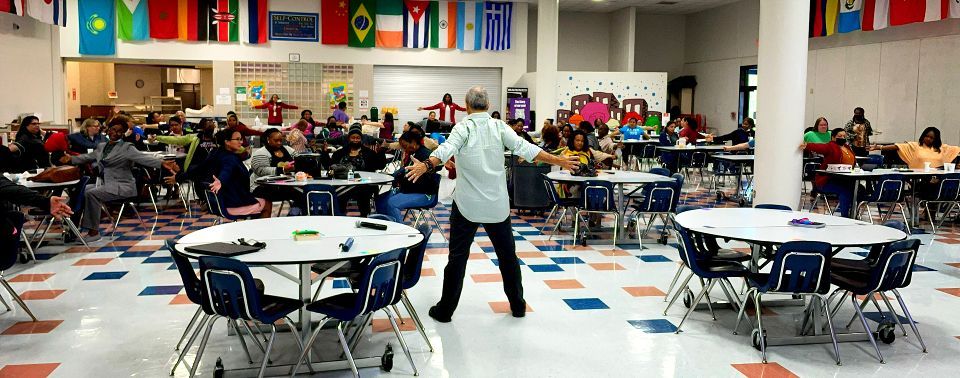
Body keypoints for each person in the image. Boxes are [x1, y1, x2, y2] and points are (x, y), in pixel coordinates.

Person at [404, 86, 579, 322]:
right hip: (497, 206)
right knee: (508, 257)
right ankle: (517, 305)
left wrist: (426, 165)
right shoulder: (499, 127)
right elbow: (525, 148)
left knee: (457, 258)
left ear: (466, 106)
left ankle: (445, 310)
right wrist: (558, 160)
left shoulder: (463, 127)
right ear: (487, 106)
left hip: (467, 206)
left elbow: (446, 150)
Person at [61, 119, 179, 242]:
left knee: (91, 193)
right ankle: (72, 228)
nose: (115, 133)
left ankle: (93, 232)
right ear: (108, 129)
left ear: (123, 133)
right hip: (107, 184)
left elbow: (143, 158)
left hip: (123, 186)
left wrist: (162, 163)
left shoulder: (127, 147)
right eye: (113, 129)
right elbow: (87, 157)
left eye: (119, 131)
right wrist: (70, 159)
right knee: (81, 190)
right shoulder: (101, 146)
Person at [375, 131, 440, 222]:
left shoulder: (426, 155)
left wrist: (402, 184)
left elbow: (426, 180)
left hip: (425, 193)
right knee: (381, 199)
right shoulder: (412, 154)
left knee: (392, 203)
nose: (403, 149)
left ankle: (399, 232)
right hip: (409, 190)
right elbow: (404, 172)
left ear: (413, 143)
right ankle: (386, 225)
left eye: (404, 146)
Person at [801, 128, 860, 217]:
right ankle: (845, 216)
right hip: (827, 180)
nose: (842, 138)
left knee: (860, 189)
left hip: (845, 179)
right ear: (833, 137)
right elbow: (820, 147)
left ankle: (854, 213)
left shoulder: (847, 147)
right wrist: (807, 146)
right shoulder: (831, 146)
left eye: (844, 136)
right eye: (839, 136)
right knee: (845, 190)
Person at [250, 128, 308, 215]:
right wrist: (283, 169)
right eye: (276, 140)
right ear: (268, 140)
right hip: (261, 187)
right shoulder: (261, 153)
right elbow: (261, 171)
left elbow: (300, 161)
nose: (279, 143)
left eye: (281, 140)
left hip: (285, 185)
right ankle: (294, 214)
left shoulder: (288, 150)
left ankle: (296, 215)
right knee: (297, 195)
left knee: (302, 193)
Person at [330, 128, 386, 216]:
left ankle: (364, 216)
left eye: (358, 138)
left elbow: (380, 165)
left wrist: (381, 152)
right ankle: (339, 216)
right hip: (343, 184)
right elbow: (330, 166)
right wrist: (325, 154)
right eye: (353, 138)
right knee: (338, 194)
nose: (355, 140)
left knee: (363, 191)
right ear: (349, 138)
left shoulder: (368, 153)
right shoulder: (340, 153)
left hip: (363, 184)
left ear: (361, 139)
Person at [870, 127, 960, 170]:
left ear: (935, 139)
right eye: (926, 136)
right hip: (919, 178)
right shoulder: (915, 146)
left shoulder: (942, 148)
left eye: (931, 138)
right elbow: (897, 146)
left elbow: (956, 150)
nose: (928, 139)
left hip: (938, 177)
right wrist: (878, 147)